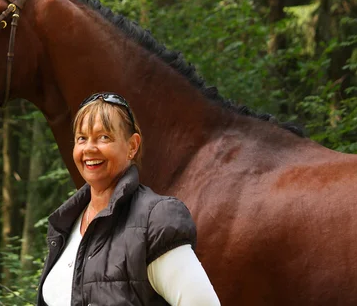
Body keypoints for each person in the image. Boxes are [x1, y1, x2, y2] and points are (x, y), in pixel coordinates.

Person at [37, 93, 220, 306]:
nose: (89, 148)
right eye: (82, 138)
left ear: (132, 146)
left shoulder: (154, 221)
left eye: (104, 137)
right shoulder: (65, 223)